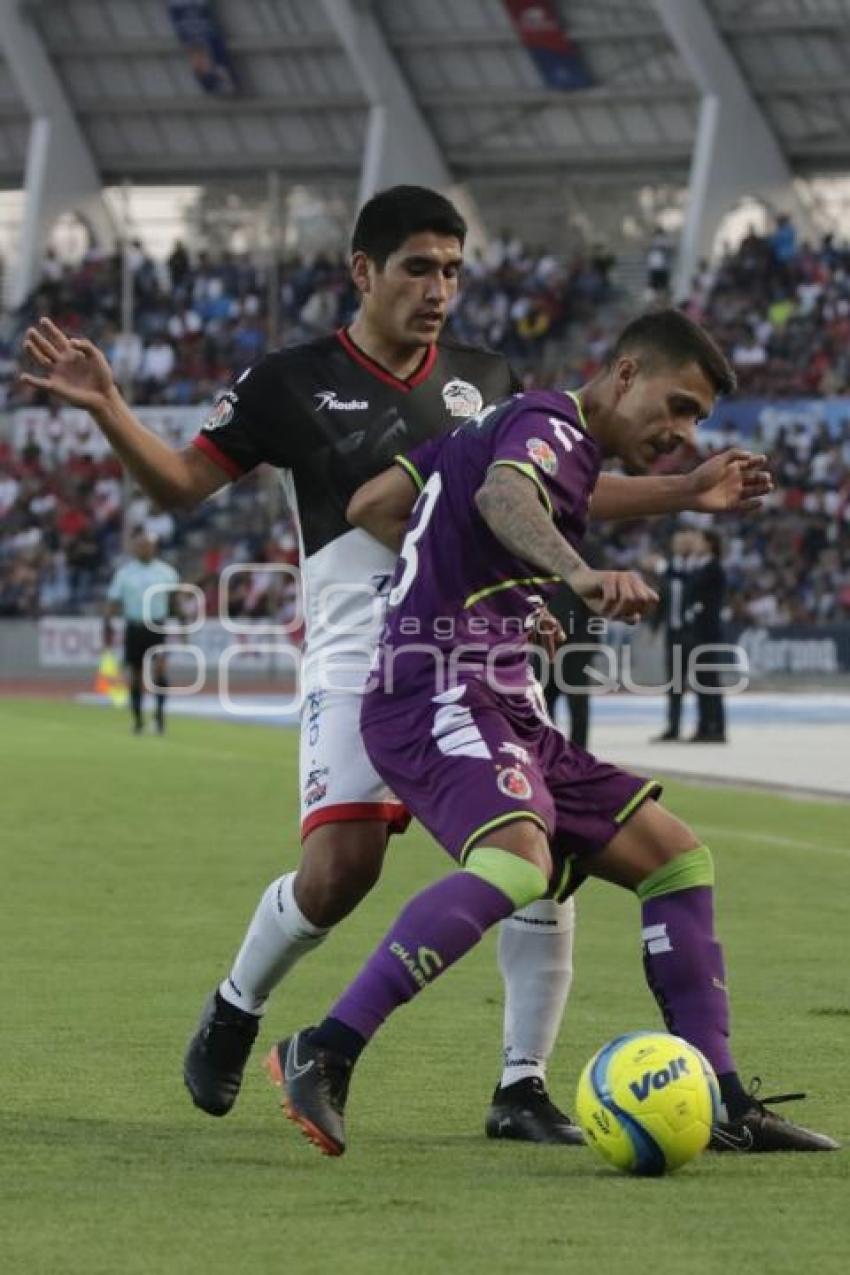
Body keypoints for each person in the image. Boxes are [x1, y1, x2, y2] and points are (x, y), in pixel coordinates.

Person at [20, 193, 770, 1143]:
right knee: (341, 871)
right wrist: (109, 407)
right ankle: (238, 1002)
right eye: (419, 267)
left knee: (542, 855)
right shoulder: (286, 382)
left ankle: (521, 1084)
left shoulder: (486, 377)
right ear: (363, 270)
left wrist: (644, 516)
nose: (440, 289)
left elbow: (546, 485)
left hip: (480, 646)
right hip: (359, 649)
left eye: (453, 270)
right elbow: (182, 483)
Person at [265, 310, 836, 1158]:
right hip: (433, 691)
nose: (680, 434)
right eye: (676, 406)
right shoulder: (546, 422)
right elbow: (503, 495)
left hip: (498, 698)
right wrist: (574, 576)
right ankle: (327, 1046)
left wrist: (504, 601)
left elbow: (376, 502)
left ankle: (720, 1098)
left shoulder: (518, 436)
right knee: (515, 863)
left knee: (676, 857)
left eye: (697, 423)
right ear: (626, 372)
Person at [105, 529, 179, 735]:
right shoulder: (125, 573)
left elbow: (175, 601)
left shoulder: (166, 572)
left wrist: (182, 626)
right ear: (134, 549)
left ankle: (159, 717)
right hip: (135, 627)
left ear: (153, 548)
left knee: (160, 671)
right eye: (139, 546)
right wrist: (108, 625)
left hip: (157, 626)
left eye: (146, 545)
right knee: (136, 675)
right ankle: (138, 720)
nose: (143, 549)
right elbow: (113, 601)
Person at [651, 527, 696, 742]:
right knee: (675, 683)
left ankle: (706, 726)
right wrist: (655, 627)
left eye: (685, 542)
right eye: (678, 543)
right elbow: (662, 601)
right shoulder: (669, 569)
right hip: (674, 633)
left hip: (694, 633)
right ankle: (673, 727)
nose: (682, 546)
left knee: (702, 681)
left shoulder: (698, 568)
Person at [687, 528, 727, 743]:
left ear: (710, 543)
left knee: (710, 681)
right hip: (700, 631)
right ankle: (705, 726)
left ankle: (716, 728)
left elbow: (699, 593)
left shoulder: (714, 568)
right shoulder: (703, 566)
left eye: (700, 541)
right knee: (702, 681)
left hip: (708, 632)